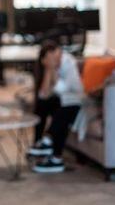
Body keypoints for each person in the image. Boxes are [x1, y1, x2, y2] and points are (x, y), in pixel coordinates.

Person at [27, 40, 83, 173]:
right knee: (42, 104)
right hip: (61, 100)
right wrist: (48, 70)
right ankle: (41, 143)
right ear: (43, 60)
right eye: (52, 58)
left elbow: (66, 90)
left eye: (58, 57)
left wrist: (52, 71)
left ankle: (48, 144)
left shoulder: (68, 62)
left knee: (63, 110)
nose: (57, 60)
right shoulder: (45, 67)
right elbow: (43, 95)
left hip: (74, 100)